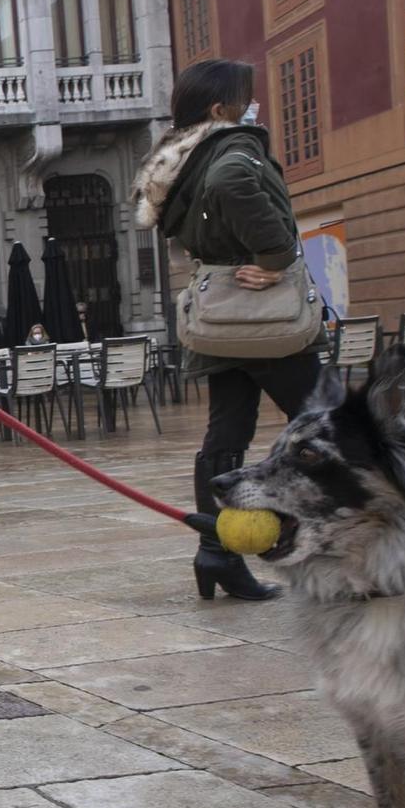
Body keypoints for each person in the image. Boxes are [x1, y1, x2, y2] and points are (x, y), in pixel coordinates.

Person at [135, 58, 323, 603]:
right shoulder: (230, 151)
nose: (252, 107)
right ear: (221, 110)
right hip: (266, 313)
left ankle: (217, 553)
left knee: (227, 433)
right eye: (246, 99)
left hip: (221, 315)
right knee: (324, 423)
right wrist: (276, 255)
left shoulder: (183, 161)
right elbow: (235, 183)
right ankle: (349, 542)